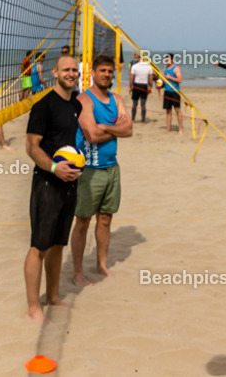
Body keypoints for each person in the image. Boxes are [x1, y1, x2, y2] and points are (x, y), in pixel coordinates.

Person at [23, 55, 83, 323]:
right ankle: (33, 308)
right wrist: (54, 168)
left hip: (70, 182)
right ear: (55, 72)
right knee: (40, 246)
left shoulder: (75, 105)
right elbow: (31, 147)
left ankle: (53, 296)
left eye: (74, 70)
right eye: (66, 70)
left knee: (59, 245)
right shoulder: (44, 105)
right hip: (47, 182)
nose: (71, 73)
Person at [71, 55, 133, 286]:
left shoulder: (116, 99)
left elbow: (129, 130)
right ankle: (78, 272)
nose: (107, 74)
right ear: (93, 73)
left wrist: (105, 126)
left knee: (106, 219)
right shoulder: (84, 100)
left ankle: (101, 264)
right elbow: (91, 135)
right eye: (103, 71)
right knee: (83, 222)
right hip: (88, 170)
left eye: (110, 71)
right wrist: (116, 128)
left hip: (111, 168)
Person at [128, 53, 153, 122]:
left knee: (134, 103)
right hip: (144, 86)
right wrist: (150, 86)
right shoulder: (149, 67)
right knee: (143, 104)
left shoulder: (134, 66)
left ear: (138, 58)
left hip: (136, 85)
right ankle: (143, 120)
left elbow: (131, 77)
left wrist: (130, 86)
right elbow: (150, 79)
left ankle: (133, 119)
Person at [162, 54, 183, 134]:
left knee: (177, 110)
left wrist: (170, 77)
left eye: (167, 60)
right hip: (167, 91)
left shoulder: (176, 68)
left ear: (172, 60)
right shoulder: (165, 68)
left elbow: (180, 80)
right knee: (168, 111)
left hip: (175, 92)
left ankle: (180, 129)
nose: (166, 61)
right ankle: (168, 128)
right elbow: (162, 79)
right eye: (165, 60)